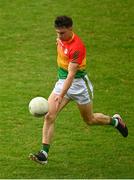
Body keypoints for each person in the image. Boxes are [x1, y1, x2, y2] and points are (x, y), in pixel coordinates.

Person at [29, 15, 128, 165]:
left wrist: (61, 95)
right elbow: (65, 73)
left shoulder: (77, 47)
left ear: (70, 29)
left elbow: (71, 75)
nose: (59, 36)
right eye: (57, 33)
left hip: (79, 86)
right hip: (62, 82)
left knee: (90, 120)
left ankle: (115, 121)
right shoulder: (60, 39)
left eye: (62, 33)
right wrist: (60, 92)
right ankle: (44, 154)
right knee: (49, 116)